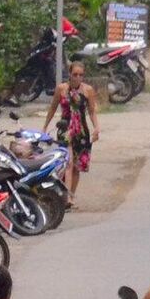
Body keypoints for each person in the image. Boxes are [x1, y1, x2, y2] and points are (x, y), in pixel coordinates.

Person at [40, 62, 101, 208]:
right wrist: (45, 127)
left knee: (77, 166)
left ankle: (71, 197)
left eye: (81, 75)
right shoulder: (61, 89)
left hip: (81, 130)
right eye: (75, 74)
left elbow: (92, 111)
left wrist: (97, 128)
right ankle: (65, 197)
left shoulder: (88, 90)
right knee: (68, 162)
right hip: (65, 129)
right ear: (70, 74)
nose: (78, 78)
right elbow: (53, 108)